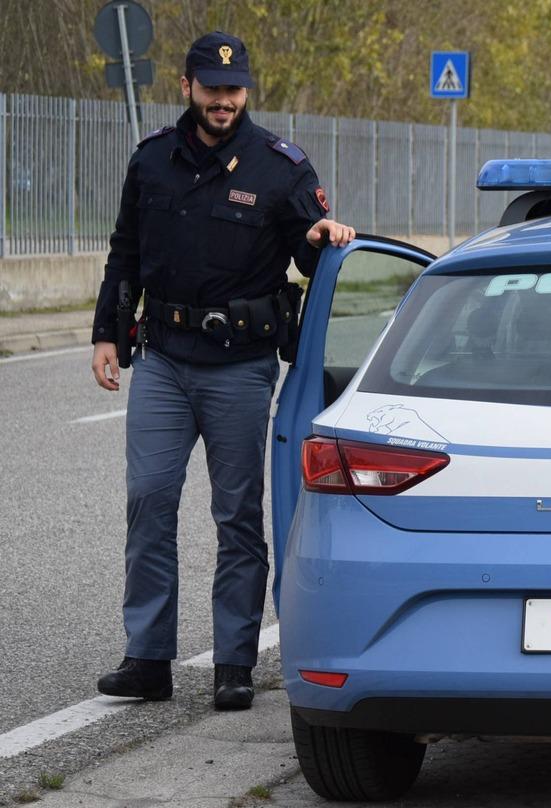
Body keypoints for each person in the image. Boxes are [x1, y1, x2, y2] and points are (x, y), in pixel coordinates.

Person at [88, 32, 356, 710]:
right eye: (211, 88)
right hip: (164, 360)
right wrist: (106, 337)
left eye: (234, 90)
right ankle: (147, 657)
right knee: (148, 502)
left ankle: (234, 663)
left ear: (246, 93)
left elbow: (308, 250)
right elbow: (125, 252)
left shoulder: (280, 167)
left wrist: (323, 238)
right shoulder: (152, 160)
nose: (223, 100)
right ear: (187, 87)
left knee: (237, 515)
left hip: (239, 367)